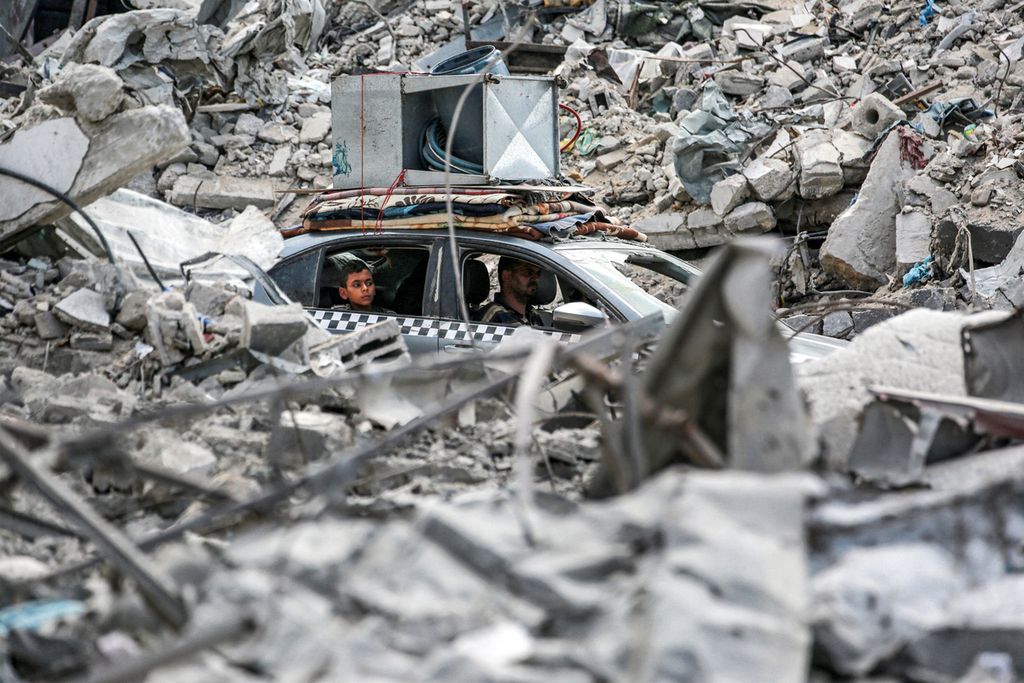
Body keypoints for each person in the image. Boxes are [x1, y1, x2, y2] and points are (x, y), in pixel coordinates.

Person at [475, 256, 545, 326]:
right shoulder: (494, 315)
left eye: (538, 273)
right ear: (506, 276)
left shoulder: (532, 314)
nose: (535, 278)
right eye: (528, 272)